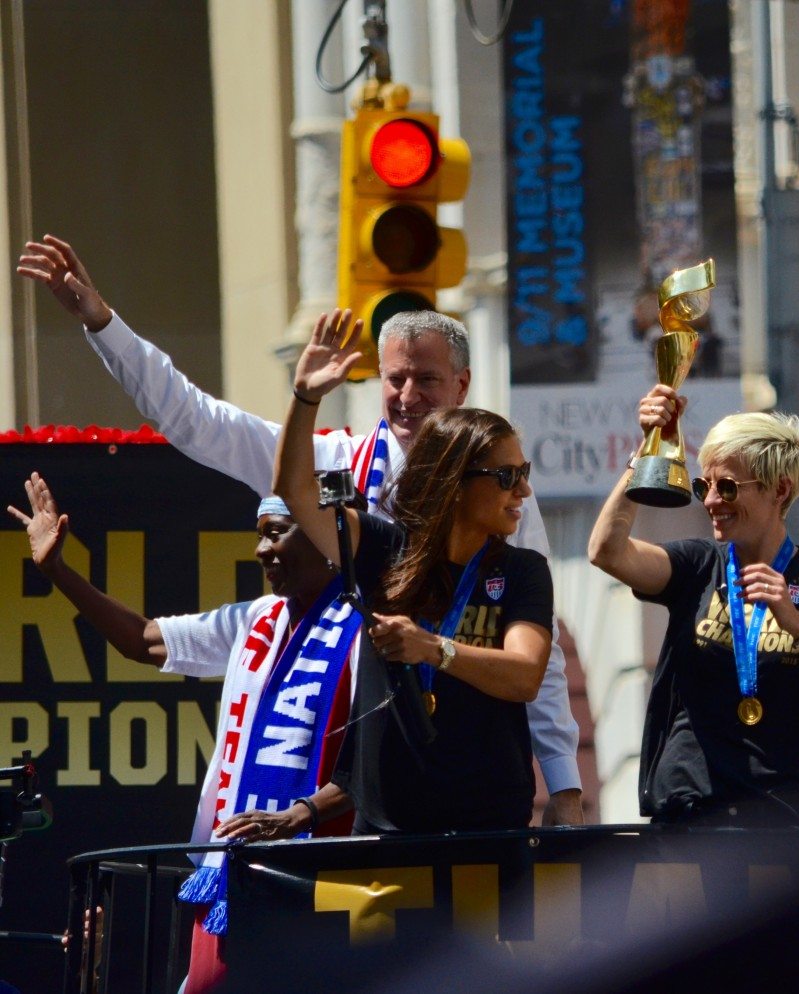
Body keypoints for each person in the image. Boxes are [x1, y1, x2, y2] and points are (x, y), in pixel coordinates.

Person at [16, 235, 584, 824]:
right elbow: (194, 420)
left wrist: (565, 782)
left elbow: (533, 649)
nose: (407, 397)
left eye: (427, 380)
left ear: (462, 386)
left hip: (452, 760)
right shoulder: (329, 462)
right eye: (395, 379)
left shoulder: (498, 491)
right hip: (335, 748)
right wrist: (102, 324)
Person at [7, 476, 358, 994]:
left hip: (324, 885)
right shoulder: (256, 618)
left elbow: (381, 763)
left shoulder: (368, 627)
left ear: (326, 538)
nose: (261, 549)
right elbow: (143, 640)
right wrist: (58, 571)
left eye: (277, 533)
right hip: (233, 876)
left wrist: (297, 816)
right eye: (258, 534)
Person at [272, 311, 553, 832]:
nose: (523, 491)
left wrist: (433, 649)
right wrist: (306, 398)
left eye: (524, 473)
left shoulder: (522, 569)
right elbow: (295, 491)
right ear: (455, 480)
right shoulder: (381, 548)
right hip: (387, 833)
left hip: (488, 830)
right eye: (507, 476)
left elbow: (526, 674)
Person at [588, 384, 799, 825]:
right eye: (703, 485)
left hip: (779, 812)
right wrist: (649, 447)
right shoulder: (697, 563)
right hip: (689, 807)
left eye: (727, 488)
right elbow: (606, 551)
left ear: (780, 490)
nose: (710, 502)